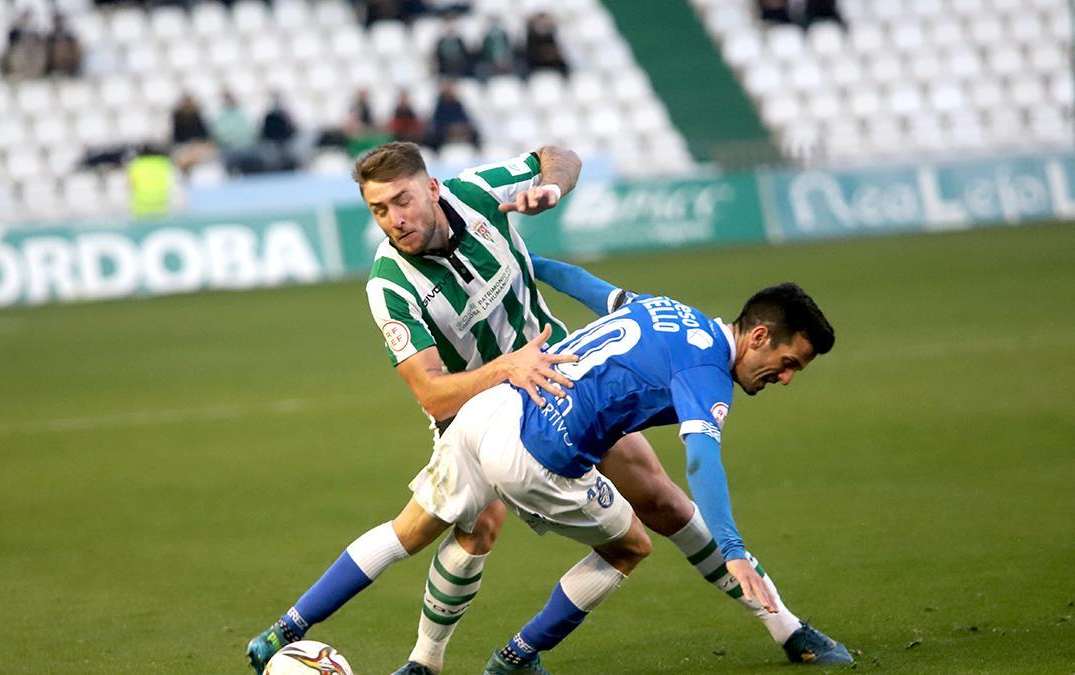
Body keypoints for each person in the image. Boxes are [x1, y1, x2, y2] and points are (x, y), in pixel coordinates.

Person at [246, 143, 852, 673]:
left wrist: (551, 188)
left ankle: (787, 627)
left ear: (431, 188)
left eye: (402, 200)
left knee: (664, 502)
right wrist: (504, 369)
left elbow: (560, 155)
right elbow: (431, 391)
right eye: (379, 210)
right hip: (477, 403)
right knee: (466, 528)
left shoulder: (479, 192)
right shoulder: (390, 285)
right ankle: (427, 660)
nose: (393, 220)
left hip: (567, 379)